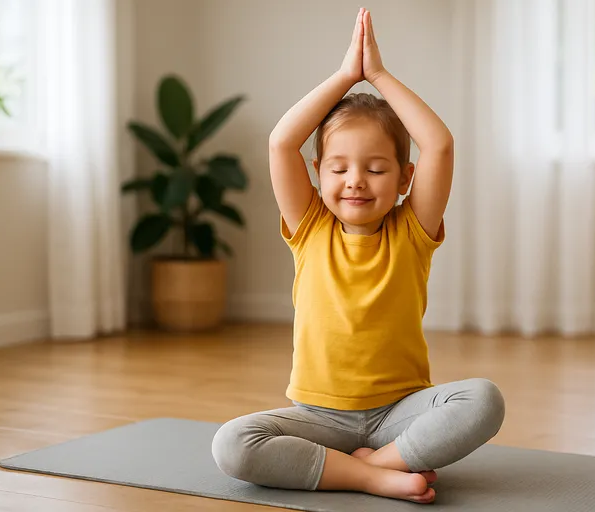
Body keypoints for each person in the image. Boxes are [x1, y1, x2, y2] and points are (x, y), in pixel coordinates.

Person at [211, 8, 504, 504]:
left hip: (400, 412)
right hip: (317, 417)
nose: (355, 181)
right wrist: (346, 75)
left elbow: (439, 145)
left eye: (375, 168)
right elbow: (282, 142)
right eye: (340, 167)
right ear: (318, 172)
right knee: (233, 445)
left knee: (484, 400)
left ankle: (377, 462)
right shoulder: (309, 227)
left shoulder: (412, 230)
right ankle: (376, 476)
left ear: (405, 179)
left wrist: (381, 77)